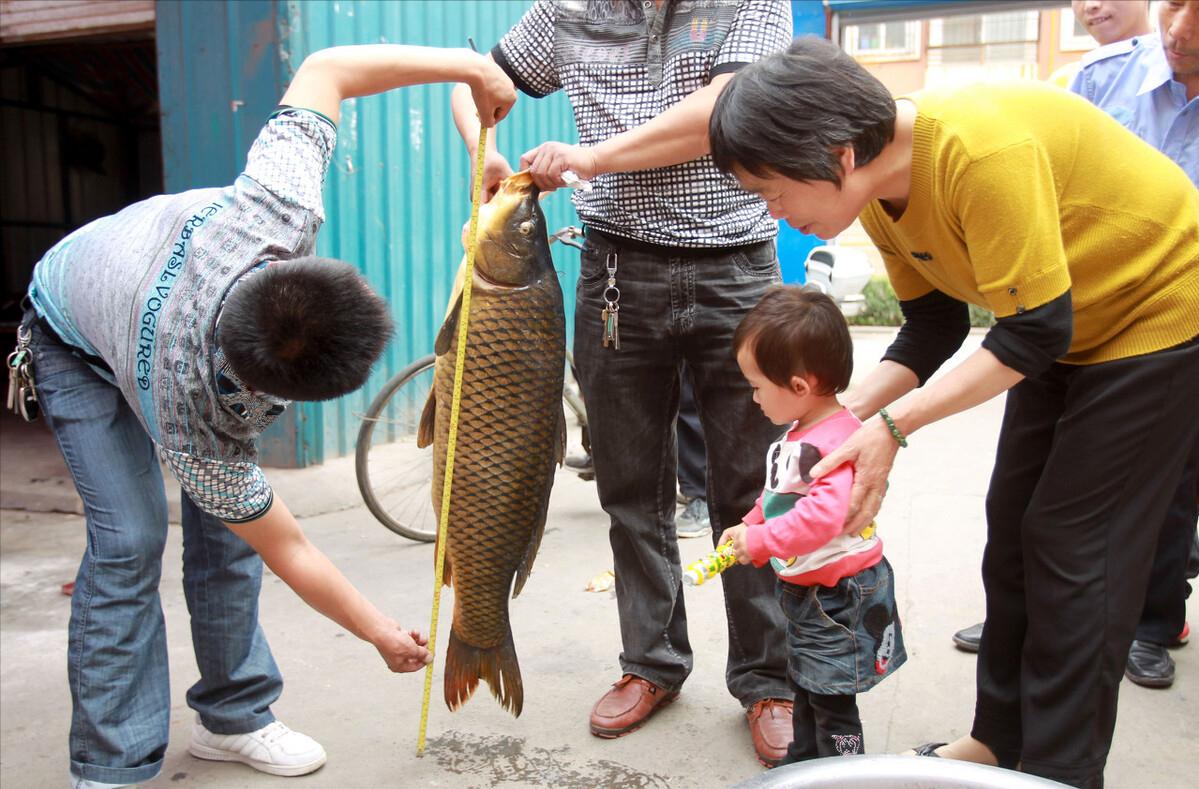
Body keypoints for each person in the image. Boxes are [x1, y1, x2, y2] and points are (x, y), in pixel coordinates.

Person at [14, 44, 515, 789]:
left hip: (135, 277)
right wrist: (379, 631)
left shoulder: (276, 204)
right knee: (130, 542)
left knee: (226, 538)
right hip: (70, 329)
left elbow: (328, 68)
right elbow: (293, 546)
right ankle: (112, 765)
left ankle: (234, 716)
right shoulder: (194, 417)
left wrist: (463, 67)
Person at [708, 35, 1199, 789]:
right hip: (1064, 328)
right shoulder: (877, 191)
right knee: (1012, 531)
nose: (774, 210)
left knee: (1075, 548)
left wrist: (894, 428)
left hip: (1158, 311)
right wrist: (837, 417)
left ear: (835, 154)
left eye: (770, 190)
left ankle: (1061, 771)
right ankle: (997, 740)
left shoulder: (976, 152)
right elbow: (933, 326)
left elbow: (1032, 329)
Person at [450, 0, 796, 766]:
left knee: (748, 488)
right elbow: (476, 79)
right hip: (613, 272)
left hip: (734, 265)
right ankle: (651, 661)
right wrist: (487, 148)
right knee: (629, 486)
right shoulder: (567, 11)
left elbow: (721, 112)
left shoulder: (750, 4)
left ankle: (770, 677)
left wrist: (590, 157)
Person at [953, 0, 1199, 690]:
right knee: (1024, 495)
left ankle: (1151, 621)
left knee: (1160, 487)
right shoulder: (1101, 78)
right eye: (1175, 6)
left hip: (1172, 320)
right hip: (1062, 317)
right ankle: (1019, 624)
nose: (1179, 32)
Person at [720, 286, 906, 763]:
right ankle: (804, 762)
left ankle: (846, 768)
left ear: (799, 387)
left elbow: (820, 519)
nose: (753, 396)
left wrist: (759, 541)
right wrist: (750, 521)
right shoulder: (801, 435)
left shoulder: (832, 443)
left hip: (837, 599)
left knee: (833, 700)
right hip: (811, 593)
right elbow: (779, 495)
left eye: (757, 385)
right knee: (805, 685)